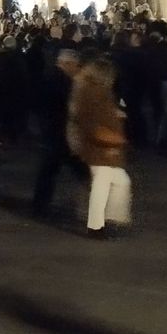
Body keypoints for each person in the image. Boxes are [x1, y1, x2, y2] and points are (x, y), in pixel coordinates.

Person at [69, 57, 131, 237]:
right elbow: (93, 122)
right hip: (100, 145)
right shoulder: (95, 92)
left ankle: (103, 220)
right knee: (107, 182)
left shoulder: (88, 89)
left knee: (112, 181)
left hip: (99, 143)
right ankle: (99, 223)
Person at [31, 49, 87, 217]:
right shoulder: (62, 81)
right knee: (75, 169)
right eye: (76, 65)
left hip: (52, 131)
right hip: (59, 132)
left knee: (49, 170)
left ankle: (40, 204)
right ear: (68, 64)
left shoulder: (49, 76)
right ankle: (40, 205)